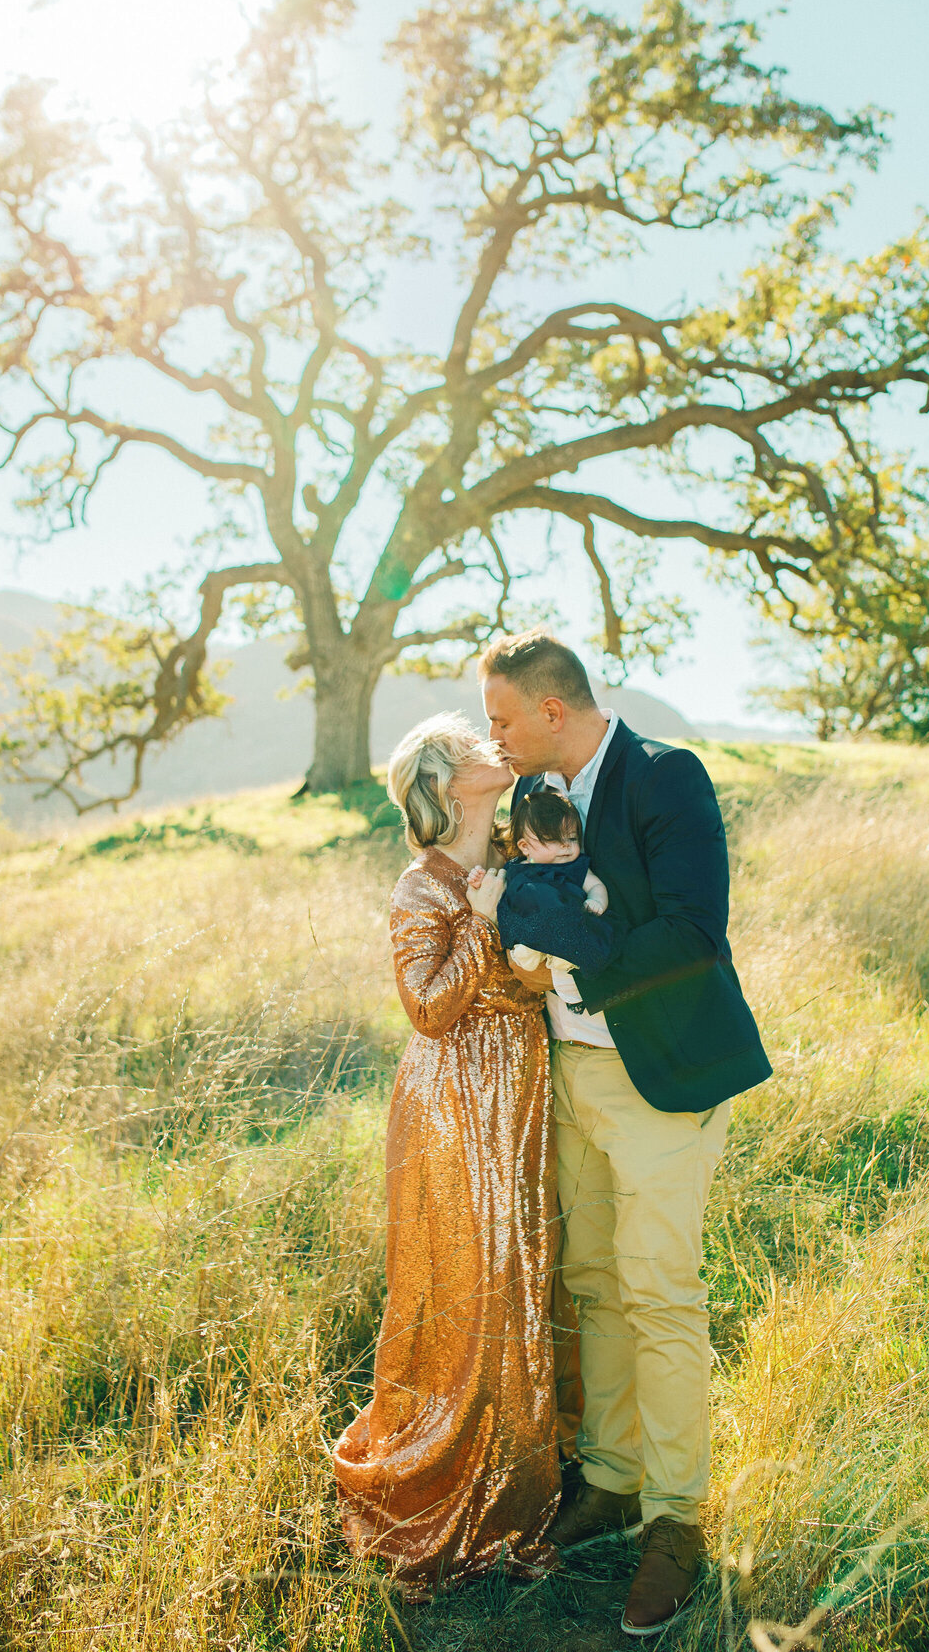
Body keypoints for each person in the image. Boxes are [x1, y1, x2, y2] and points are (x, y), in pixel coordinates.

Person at [479, 633, 772, 1640]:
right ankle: (606, 1477)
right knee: (595, 1282)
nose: (497, 737)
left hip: (663, 1081)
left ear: (553, 712)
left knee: (660, 1294)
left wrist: (577, 957)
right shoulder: (534, 798)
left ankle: (676, 1520)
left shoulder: (662, 778)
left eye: (504, 719)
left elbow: (694, 934)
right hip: (574, 1075)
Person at [332, 712, 560, 1595]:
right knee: (466, 1282)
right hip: (452, 1102)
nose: (492, 751)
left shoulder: (514, 855)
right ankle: (440, 1476)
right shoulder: (422, 885)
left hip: (522, 1087)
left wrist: (527, 918)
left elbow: (541, 975)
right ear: (444, 783)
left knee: (521, 1276)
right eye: (473, 748)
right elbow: (427, 1009)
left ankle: (516, 1478)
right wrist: (483, 922)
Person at [471, 788, 615, 974]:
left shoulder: (576, 866)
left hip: (568, 923)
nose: (565, 845)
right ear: (525, 847)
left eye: (572, 838)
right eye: (552, 839)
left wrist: (596, 901)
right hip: (529, 927)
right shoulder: (515, 868)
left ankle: (564, 958)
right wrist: (480, 882)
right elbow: (499, 891)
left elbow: (596, 885)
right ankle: (530, 952)